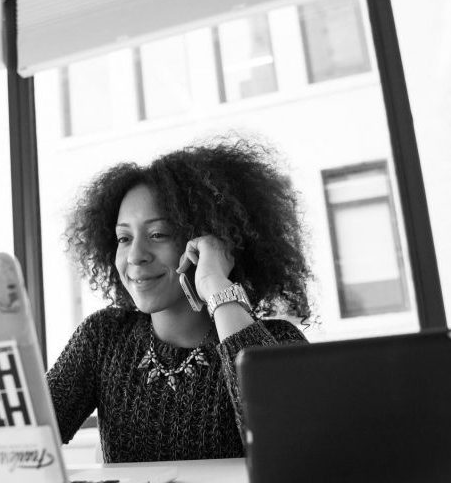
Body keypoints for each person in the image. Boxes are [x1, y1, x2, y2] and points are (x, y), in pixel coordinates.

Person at [47, 137, 311, 462]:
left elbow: (294, 444)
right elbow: (26, 436)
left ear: (203, 241)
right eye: (124, 238)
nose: (135, 256)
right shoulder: (102, 339)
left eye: (158, 235)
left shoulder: (277, 341)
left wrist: (215, 285)